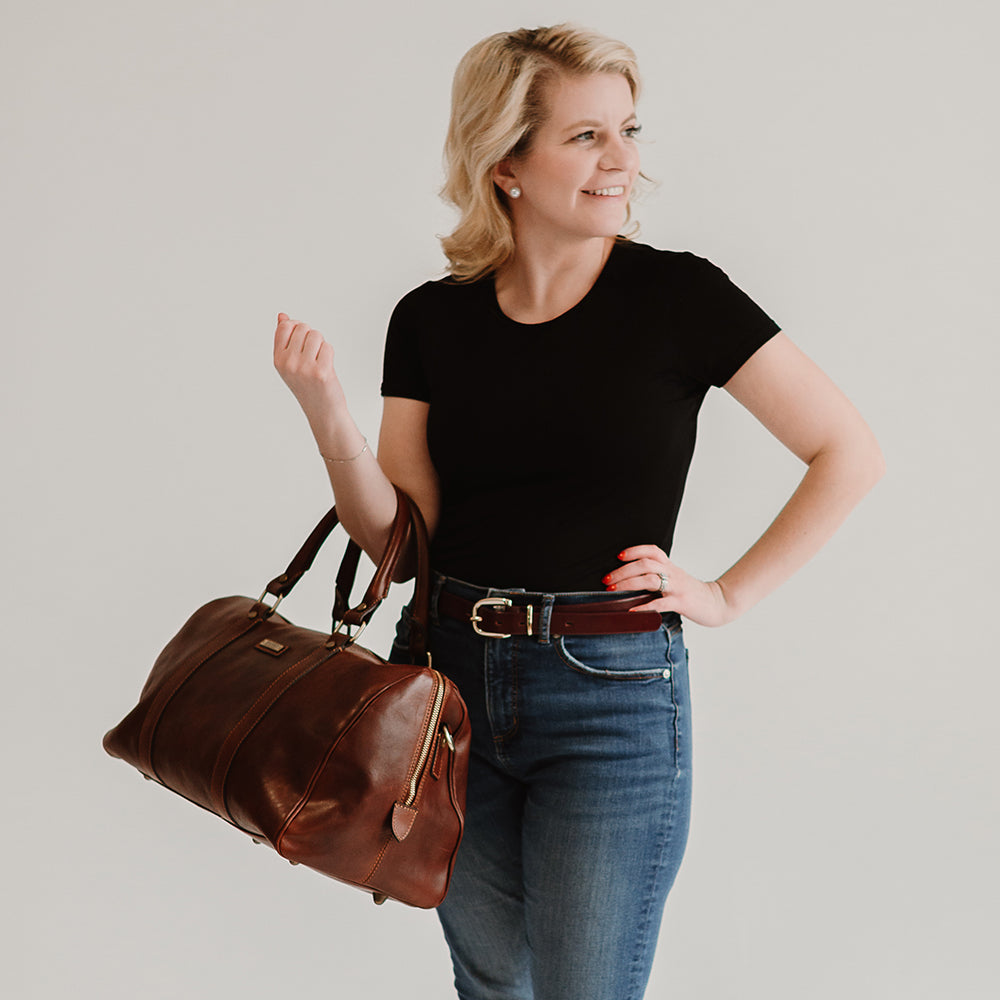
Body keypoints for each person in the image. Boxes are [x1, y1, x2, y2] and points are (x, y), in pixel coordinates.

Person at [272, 23, 884, 1000]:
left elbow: (846, 452)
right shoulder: (431, 318)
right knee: (491, 985)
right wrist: (328, 422)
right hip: (448, 687)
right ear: (504, 162)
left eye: (627, 130)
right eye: (586, 136)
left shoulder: (679, 297)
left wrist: (723, 593)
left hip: (612, 695)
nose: (623, 161)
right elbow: (400, 536)